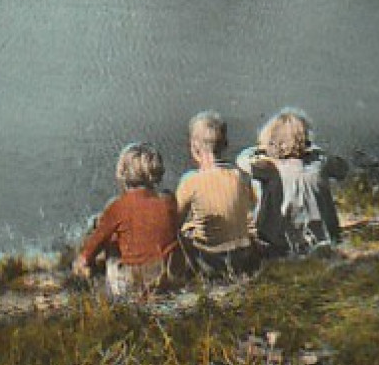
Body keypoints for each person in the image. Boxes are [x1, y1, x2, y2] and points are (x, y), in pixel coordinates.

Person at [73, 142, 181, 300]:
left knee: (108, 236)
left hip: (132, 283)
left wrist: (82, 261)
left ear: (122, 173)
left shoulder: (117, 206)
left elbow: (93, 246)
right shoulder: (169, 201)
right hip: (168, 275)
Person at [237, 108, 347, 258]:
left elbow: (241, 160)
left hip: (279, 244)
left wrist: (259, 149)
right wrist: (315, 150)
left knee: (259, 188)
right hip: (324, 240)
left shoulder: (269, 168)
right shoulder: (320, 164)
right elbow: (342, 169)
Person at [174, 111, 260, 278]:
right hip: (243, 254)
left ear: (194, 147)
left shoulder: (190, 181)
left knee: (182, 233)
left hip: (210, 259)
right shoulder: (240, 175)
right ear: (226, 144)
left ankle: (191, 277)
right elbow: (250, 206)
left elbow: (174, 222)